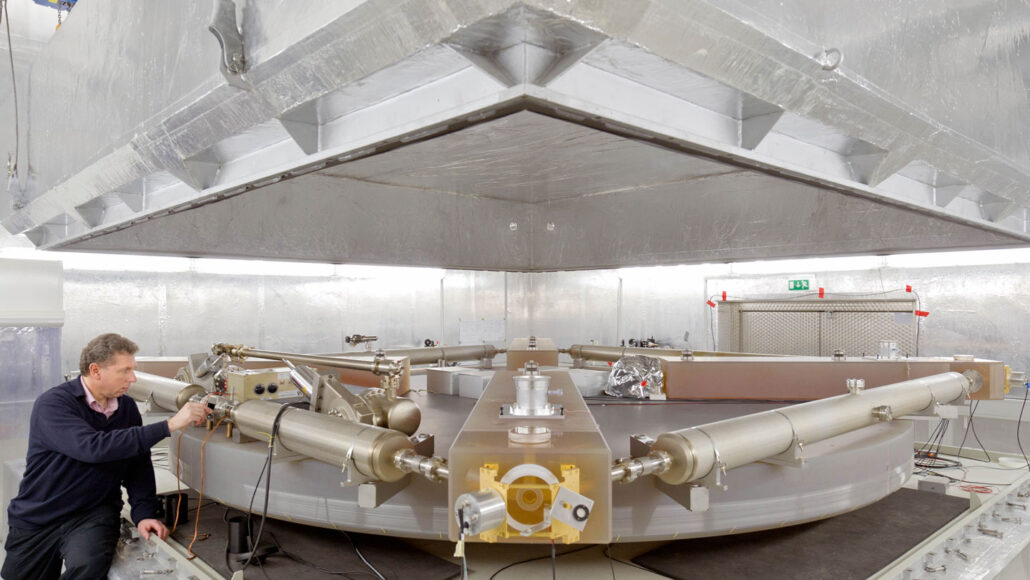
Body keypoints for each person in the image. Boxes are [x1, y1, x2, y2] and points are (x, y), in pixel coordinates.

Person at [2, 333, 209, 580]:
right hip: (41, 514)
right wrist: (170, 424)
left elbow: (138, 466)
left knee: (87, 569)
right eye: (125, 371)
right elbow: (93, 448)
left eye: (133, 370)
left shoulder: (127, 408)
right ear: (95, 370)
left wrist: (144, 514)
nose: (132, 378)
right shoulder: (54, 404)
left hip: (93, 513)